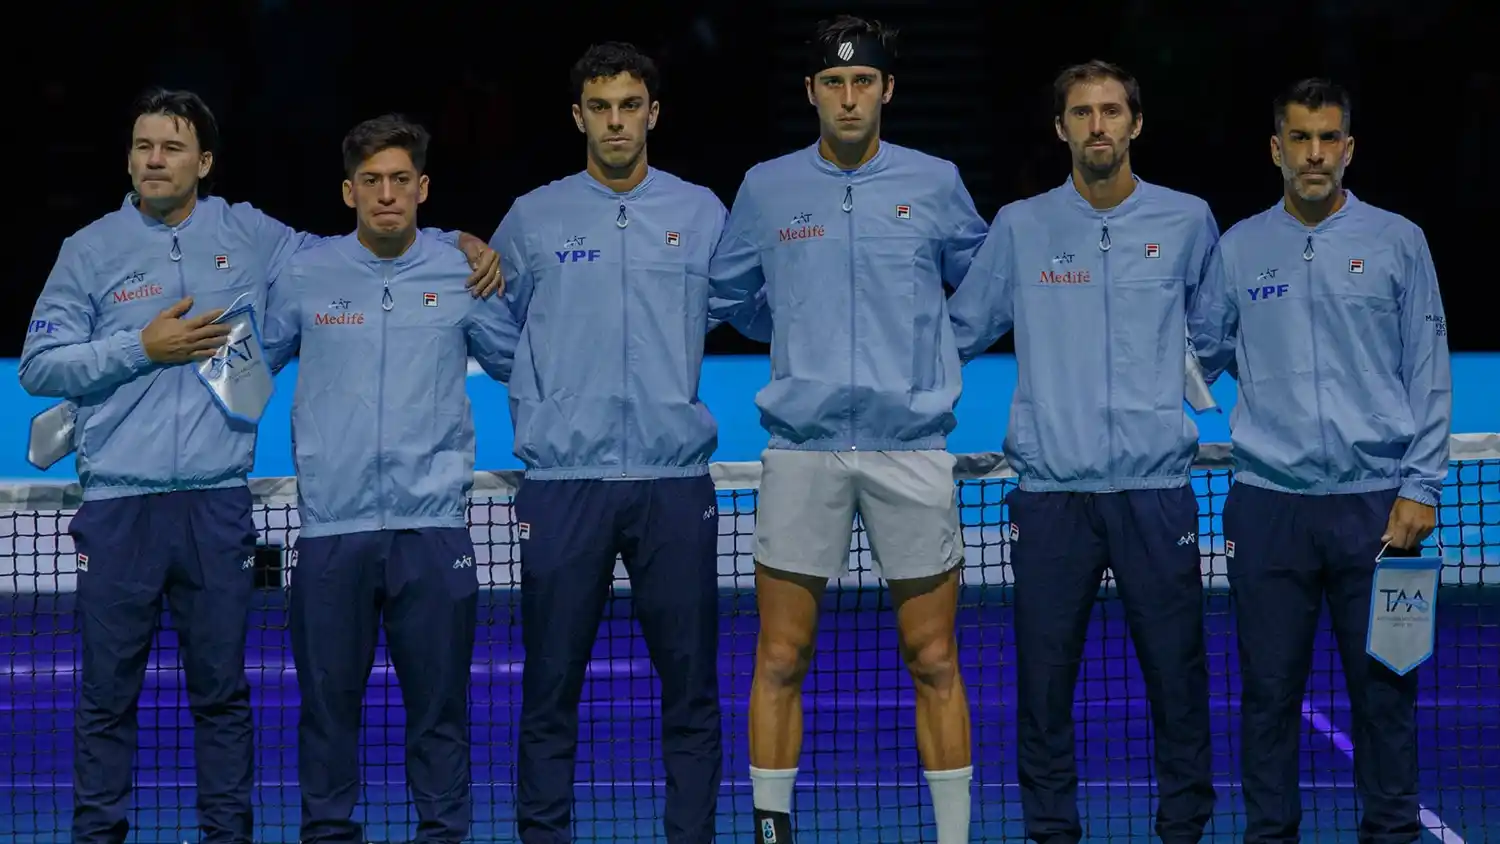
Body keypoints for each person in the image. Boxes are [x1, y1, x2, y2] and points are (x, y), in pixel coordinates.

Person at [16, 87, 500, 844]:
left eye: (172, 147)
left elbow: (364, 242)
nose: (154, 159)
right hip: (116, 504)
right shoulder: (89, 249)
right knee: (105, 698)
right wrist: (139, 348)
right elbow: (39, 367)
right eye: (143, 146)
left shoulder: (253, 236)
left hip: (216, 503)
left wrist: (461, 241)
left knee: (222, 698)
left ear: (203, 162)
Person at [706, 15, 988, 844]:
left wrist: (929, 351)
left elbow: (978, 285)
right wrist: (798, 330)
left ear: (887, 90)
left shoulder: (936, 182)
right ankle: (771, 832)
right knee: (780, 659)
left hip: (911, 450)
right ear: (811, 94)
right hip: (803, 451)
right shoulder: (767, 187)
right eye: (833, 83)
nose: (849, 96)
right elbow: (730, 295)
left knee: (934, 659)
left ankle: (953, 839)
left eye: (863, 81)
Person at [487, 42, 765, 844]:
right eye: (600, 107)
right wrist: (545, 392)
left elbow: (752, 309)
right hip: (565, 484)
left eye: (629, 106)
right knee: (549, 690)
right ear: (578, 116)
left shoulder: (702, 213)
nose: (616, 121)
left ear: (653, 114)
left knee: (691, 690)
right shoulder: (533, 218)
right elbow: (490, 319)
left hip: (672, 485)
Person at [944, 60, 1220, 843]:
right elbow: (958, 333)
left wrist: (1160, 394)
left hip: (1154, 491)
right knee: (1043, 687)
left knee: (1177, 679)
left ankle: (1183, 832)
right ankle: (1051, 832)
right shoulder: (1021, 227)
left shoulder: (1188, 220)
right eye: (1081, 113)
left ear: (1135, 123)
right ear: (1059, 127)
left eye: (1110, 111)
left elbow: (1217, 331)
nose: (1097, 125)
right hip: (1051, 496)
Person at [1190, 78, 1450, 844]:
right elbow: (1197, 357)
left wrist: (1422, 485)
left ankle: (1392, 835)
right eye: (1299, 139)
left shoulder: (1399, 241)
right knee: (1268, 693)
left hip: (1381, 510)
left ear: (1348, 148)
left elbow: (1428, 368)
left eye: (1327, 138)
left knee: (1388, 690)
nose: (1314, 153)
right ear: (1276, 150)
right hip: (1267, 508)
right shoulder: (1237, 249)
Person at [258, 114, 516, 844]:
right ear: (348, 192)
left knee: (440, 711)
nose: (386, 194)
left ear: (423, 188)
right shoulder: (308, 274)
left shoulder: (462, 272)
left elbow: (522, 362)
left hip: (432, 533)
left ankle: (443, 835)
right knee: (327, 712)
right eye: (371, 181)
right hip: (332, 532)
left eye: (401, 180)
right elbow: (245, 370)